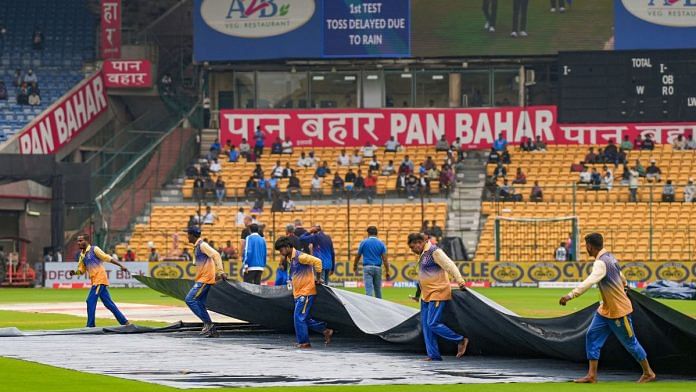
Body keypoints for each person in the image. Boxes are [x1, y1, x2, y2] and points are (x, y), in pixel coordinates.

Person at [559, 233, 656, 384]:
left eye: (586, 246)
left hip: (618, 311)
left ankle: (648, 373)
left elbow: (590, 281)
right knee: (592, 335)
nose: (586, 249)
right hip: (605, 310)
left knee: (630, 343)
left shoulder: (600, 263)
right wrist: (625, 285)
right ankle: (591, 376)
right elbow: (620, 274)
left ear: (590, 246)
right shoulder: (610, 257)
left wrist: (570, 295)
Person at [407, 233, 469, 361]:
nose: (412, 250)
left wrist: (460, 280)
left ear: (419, 243)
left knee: (432, 323)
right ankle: (433, 355)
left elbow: (450, 265)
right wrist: (417, 295)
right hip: (426, 295)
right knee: (426, 327)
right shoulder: (422, 254)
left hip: (437, 292)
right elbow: (422, 277)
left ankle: (460, 340)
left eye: (413, 247)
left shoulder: (434, 251)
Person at [274, 236, 334, 348]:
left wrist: (318, 278)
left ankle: (304, 342)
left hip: (305, 292)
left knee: (298, 317)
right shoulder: (289, 258)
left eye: (281, 250)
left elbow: (318, 261)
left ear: (287, 247)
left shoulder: (300, 256)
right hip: (298, 292)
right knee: (304, 318)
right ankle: (325, 330)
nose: (280, 253)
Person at [66, 234, 130, 328]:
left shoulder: (94, 249)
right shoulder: (82, 255)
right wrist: (74, 273)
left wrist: (121, 265)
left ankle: (90, 325)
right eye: (78, 241)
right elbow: (82, 270)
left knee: (90, 300)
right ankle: (125, 322)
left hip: (99, 279)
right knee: (109, 304)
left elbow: (106, 257)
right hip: (95, 280)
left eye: (81, 241)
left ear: (87, 241)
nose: (78, 243)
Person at [184, 226, 227, 337]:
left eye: (188, 234)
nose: (187, 236)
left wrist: (221, 271)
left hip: (205, 279)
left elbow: (216, 255)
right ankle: (210, 328)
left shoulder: (202, 245)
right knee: (199, 302)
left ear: (193, 235)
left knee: (190, 299)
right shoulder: (197, 246)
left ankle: (209, 324)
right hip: (203, 278)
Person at [353, 226, 389, 298]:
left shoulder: (364, 242)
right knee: (378, 289)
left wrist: (355, 265)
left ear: (368, 233)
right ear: (377, 233)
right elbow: (385, 259)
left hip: (367, 267)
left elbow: (358, 255)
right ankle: (380, 306)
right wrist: (387, 270)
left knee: (369, 290)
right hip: (377, 267)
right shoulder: (381, 243)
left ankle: (369, 307)